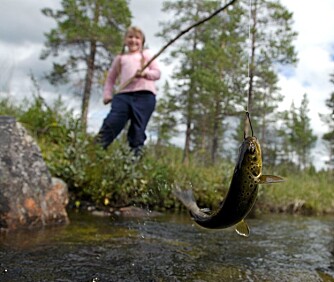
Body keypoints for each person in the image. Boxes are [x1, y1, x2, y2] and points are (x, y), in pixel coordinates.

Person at [97, 26, 161, 156]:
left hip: (145, 96)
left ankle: (133, 161)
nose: (133, 40)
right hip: (123, 96)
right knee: (112, 123)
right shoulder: (120, 58)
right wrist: (107, 94)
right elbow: (110, 79)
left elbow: (157, 73)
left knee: (137, 130)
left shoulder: (146, 55)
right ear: (125, 40)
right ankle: (94, 151)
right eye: (130, 37)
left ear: (142, 41)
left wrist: (144, 73)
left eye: (137, 38)